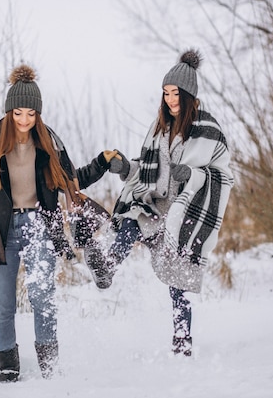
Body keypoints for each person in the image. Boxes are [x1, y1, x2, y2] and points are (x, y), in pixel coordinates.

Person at [0, 64, 122, 382]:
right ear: (9, 110)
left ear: (38, 114)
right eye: (18, 113)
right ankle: (8, 366)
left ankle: (50, 365)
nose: (25, 120)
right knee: (3, 303)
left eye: (31, 114)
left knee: (43, 297)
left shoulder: (48, 144)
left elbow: (72, 181)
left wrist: (101, 162)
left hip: (38, 227)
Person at [85, 49, 234, 357]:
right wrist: (127, 169)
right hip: (157, 205)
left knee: (178, 278)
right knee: (132, 218)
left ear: (189, 94)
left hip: (187, 208)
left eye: (175, 93)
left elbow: (222, 175)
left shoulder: (207, 129)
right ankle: (108, 267)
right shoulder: (158, 130)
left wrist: (192, 173)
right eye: (166, 93)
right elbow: (149, 170)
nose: (170, 99)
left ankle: (183, 339)